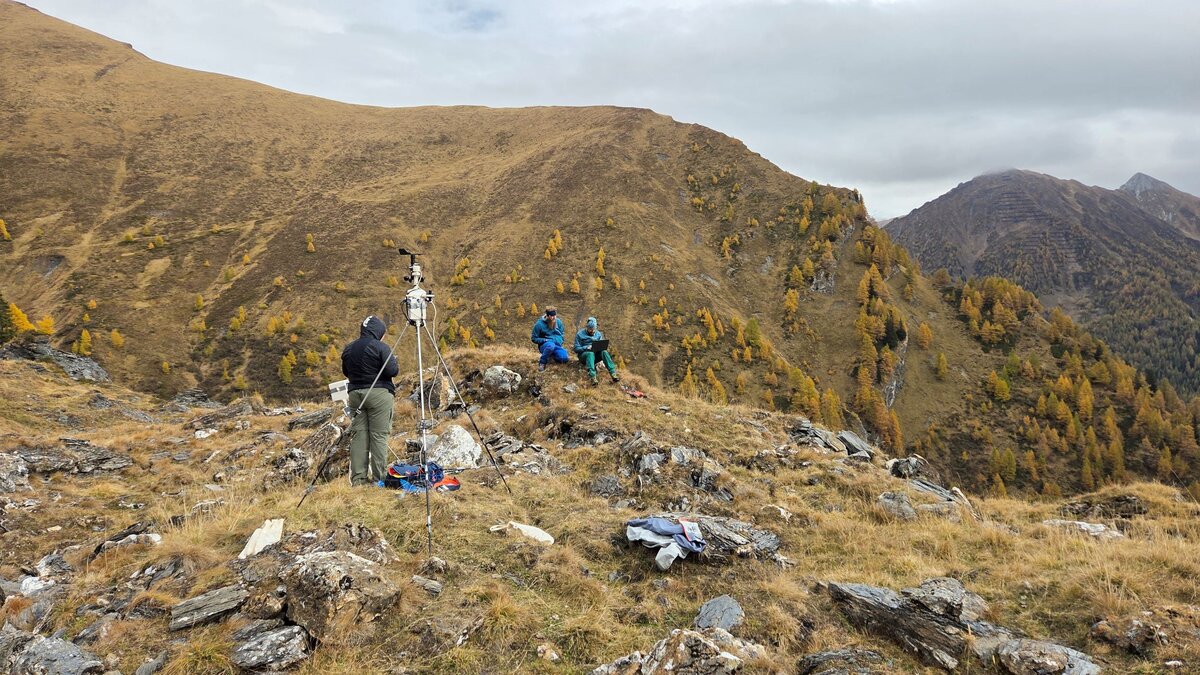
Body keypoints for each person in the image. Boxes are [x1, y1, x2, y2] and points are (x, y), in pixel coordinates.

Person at [341, 315, 398, 486]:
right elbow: (392, 370)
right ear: (378, 331)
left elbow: (346, 372)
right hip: (378, 394)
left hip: (355, 395)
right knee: (379, 436)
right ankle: (379, 479)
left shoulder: (349, 348)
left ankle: (358, 479)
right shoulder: (380, 347)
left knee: (359, 436)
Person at [573, 316, 620, 385]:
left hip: (595, 355)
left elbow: (601, 344)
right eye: (590, 329)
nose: (592, 331)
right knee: (590, 353)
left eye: (593, 329)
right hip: (584, 356)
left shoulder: (598, 334)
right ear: (587, 327)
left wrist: (601, 347)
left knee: (604, 352)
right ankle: (593, 377)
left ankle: (613, 374)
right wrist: (586, 347)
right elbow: (576, 348)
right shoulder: (579, 334)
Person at [530, 306, 570, 372]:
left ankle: (550, 356)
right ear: (547, 315)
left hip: (556, 344)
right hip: (545, 345)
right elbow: (534, 338)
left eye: (555, 315)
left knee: (564, 358)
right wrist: (545, 340)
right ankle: (542, 363)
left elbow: (562, 334)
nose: (554, 317)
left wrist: (560, 340)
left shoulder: (558, 322)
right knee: (550, 346)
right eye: (551, 316)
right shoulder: (539, 324)